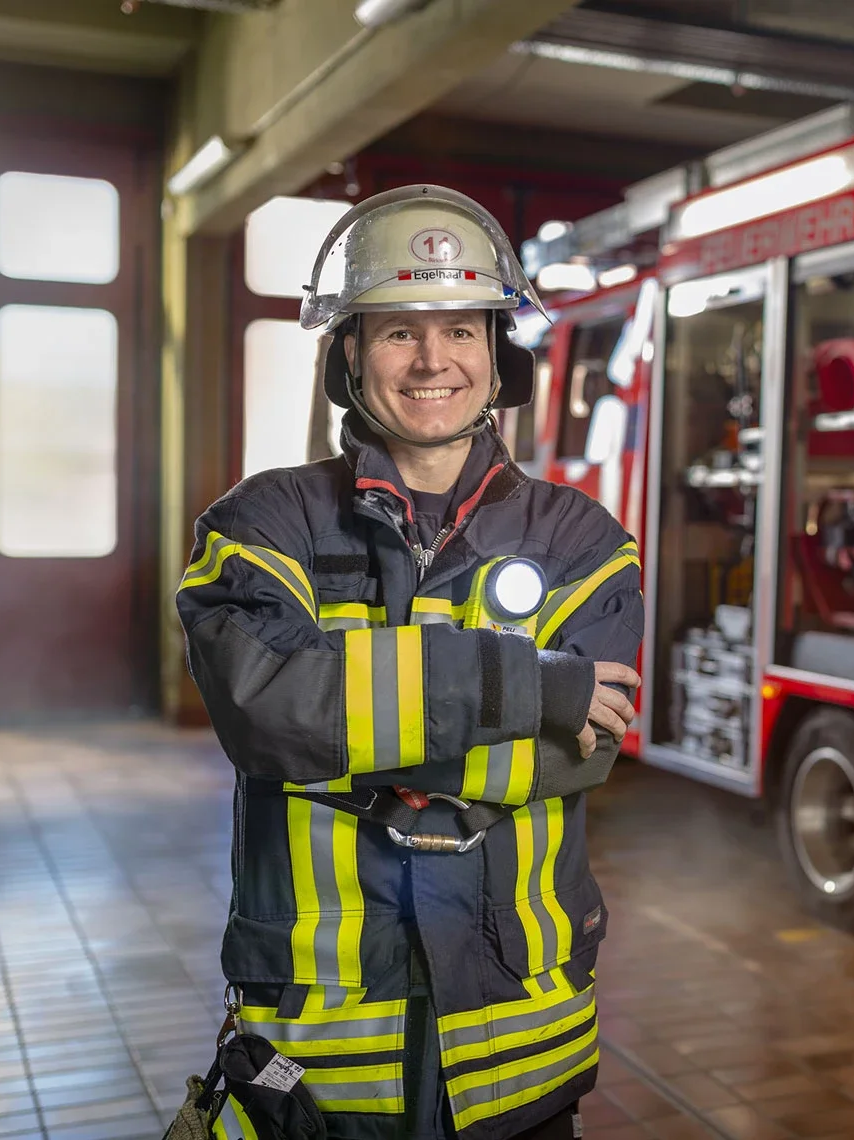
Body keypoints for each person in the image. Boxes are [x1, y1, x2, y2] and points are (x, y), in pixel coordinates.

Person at [175, 185, 643, 1140]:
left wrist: (346, 725)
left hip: (522, 1038)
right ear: (349, 353)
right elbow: (268, 716)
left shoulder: (584, 541)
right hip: (325, 1054)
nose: (434, 360)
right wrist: (532, 687)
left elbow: (580, 752)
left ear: (497, 353)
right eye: (398, 331)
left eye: (461, 329)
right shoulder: (263, 524)